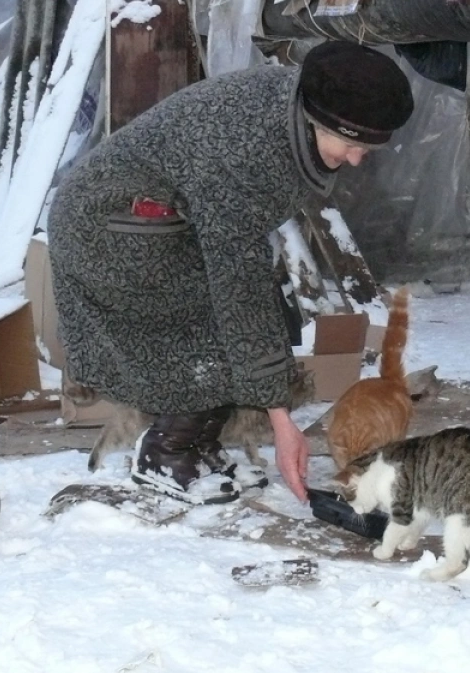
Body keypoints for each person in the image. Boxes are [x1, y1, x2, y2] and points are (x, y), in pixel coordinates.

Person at [46, 42, 415, 505]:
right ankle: (166, 454)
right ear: (316, 121)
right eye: (352, 145)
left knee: (247, 325)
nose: (357, 160)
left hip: (156, 218)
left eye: (368, 149)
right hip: (108, 227)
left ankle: (198, 447)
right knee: (214, 333)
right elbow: (237, 290)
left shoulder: (294, 106)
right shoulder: (246, 152)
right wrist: (283, 424)